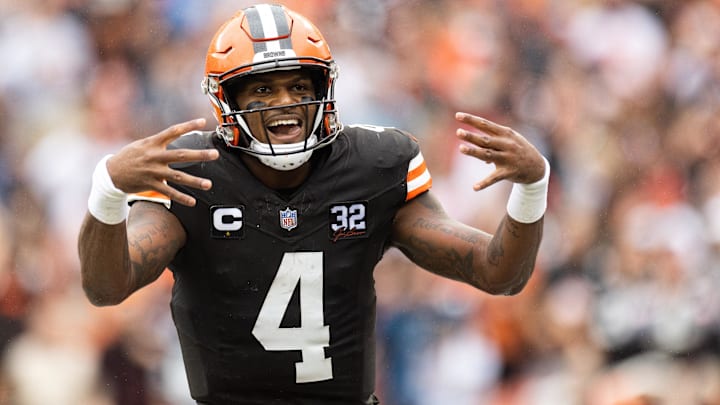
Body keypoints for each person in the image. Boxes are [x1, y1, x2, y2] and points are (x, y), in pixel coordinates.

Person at [78, 4, 549, 405]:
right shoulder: (194, 174)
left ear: (323, 90)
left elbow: (497, 273)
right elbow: (106, 286)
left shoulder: (375, 167)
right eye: (263, 89)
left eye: (299, 87)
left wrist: (532, 186)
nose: (285, 102)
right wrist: (108, 190)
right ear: (227, 99)